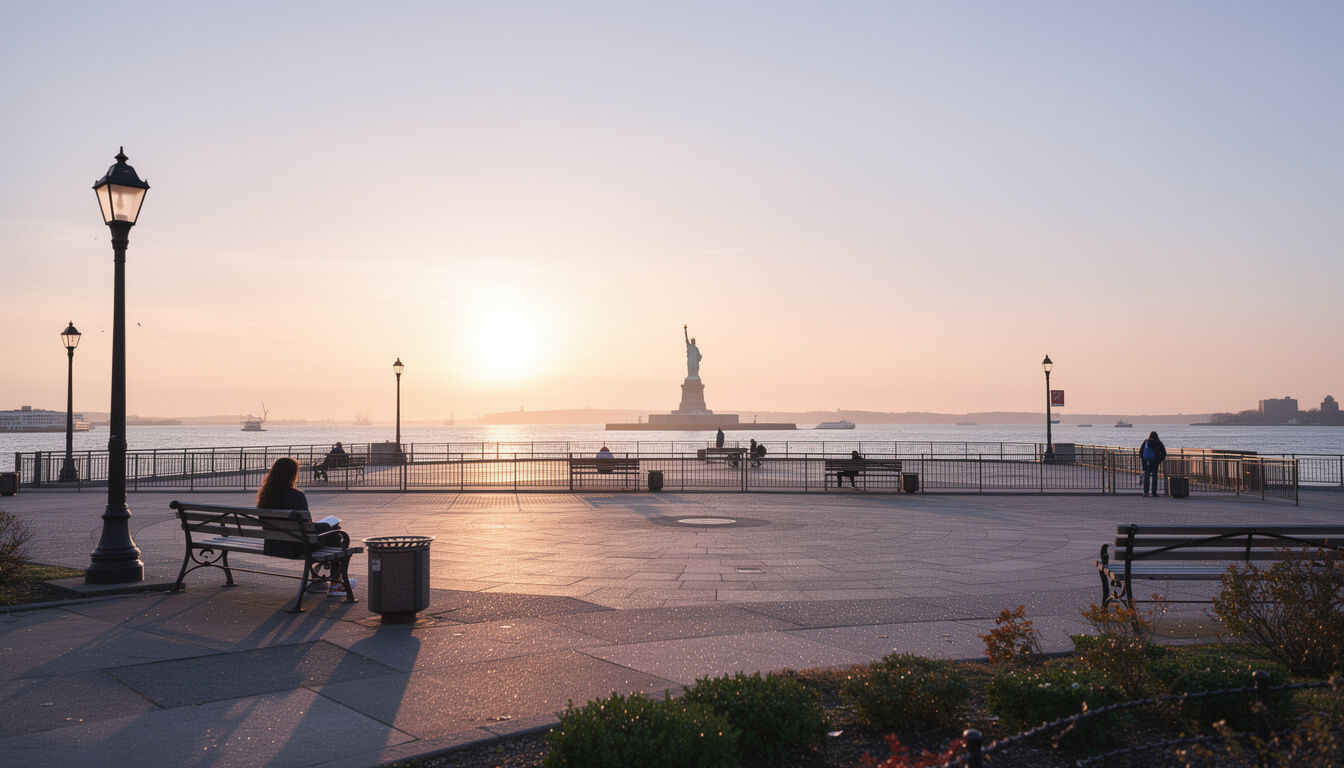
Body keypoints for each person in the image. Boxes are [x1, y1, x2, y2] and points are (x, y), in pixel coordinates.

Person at [256, 457, 342, 558]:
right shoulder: (296, 496)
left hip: (272, 545)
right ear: (292, 475)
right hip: (296, 547)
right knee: (334, 531)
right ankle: (336, 571)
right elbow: (307, 526)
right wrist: (326, 525)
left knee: (330, 530)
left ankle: (334, 571)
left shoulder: (265, 496)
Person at [1140, 431, 1167, 497]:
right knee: (1154, 478)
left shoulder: (1146, 442)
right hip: (1155, 463)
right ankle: (1154, 493)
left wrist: (1144, 459)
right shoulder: (1159, 443)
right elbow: (1164, 453)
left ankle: (1146, 492)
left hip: (1147, 462)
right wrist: (1159, 460)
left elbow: (1141, 451)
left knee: (1147, 477)